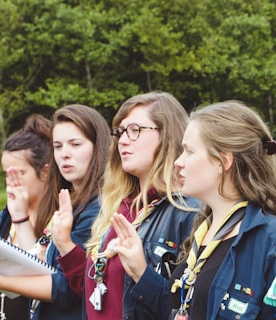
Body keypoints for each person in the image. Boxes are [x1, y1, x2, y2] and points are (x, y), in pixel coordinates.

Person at [111, 100, 276, 320]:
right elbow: (180, 309)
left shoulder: (274, 242)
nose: (178, 162)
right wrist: (141, 271)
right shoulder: (202, 230)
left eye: (189, 151)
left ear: (223, 160)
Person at [53, 91, 200, 319]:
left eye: (135, 130)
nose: (122, 140)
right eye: (120, 132)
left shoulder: (188, 211)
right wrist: (64, 245)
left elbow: (186, 309)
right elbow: (97, 294)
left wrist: (142, 273)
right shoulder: (116, 206)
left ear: (167, 135)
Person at [0, 104, 111, 320]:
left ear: (97, 146)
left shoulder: (99, 208)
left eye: (75, 144)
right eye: (58, 146)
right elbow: (38, 270)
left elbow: (66, 289)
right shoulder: (70, 201)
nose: (65, 154)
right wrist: (19, 217)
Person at [0, 114, 51, 320]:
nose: (11, 182)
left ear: (45, 172)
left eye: (19, 173)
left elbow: (49, 284)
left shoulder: (60, 221)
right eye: (7, 174)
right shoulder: (3, 219)